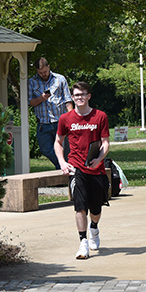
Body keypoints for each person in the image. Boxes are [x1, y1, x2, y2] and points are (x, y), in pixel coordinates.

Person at [55, 82, 110, 260]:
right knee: (80, 205)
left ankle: (94, 228)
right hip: (76, 167)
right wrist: (63, 162)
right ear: (72, 97)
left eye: (83, 94)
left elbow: (105, 143)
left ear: (89, 96)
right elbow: (58, 142)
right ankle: (82, 242)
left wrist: (98, 160)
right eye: (76, 95)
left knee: (96, 209)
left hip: (96, 169)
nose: (80, 98)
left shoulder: (100, 116)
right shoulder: (65, 118)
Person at [28, 57, 73, 169]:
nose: (43, 74)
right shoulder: (32, 82)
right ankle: (62, 165)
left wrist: (72, 118)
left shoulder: (60, 79)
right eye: (40, 73)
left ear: (49, 67)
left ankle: (63, 173)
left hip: (60, 121)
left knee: (65, 149)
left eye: (45, 71)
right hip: (43, 123)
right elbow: (30, 102)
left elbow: (68, 100)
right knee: (45, 149)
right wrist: (41, 98)